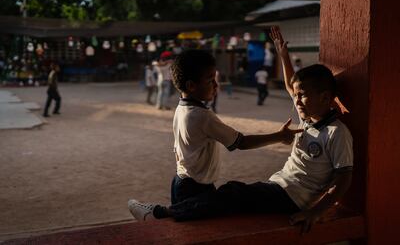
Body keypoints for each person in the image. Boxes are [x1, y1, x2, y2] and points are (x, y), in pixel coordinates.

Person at [128, 28, 354, 233]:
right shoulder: (308, 115)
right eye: (296, 96)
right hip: (278, 186)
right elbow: (290, 86)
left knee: (232, 193)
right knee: (225, 202)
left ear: (325, 98)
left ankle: (159, 213)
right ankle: (166, 214)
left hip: (293, 198)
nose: (297, 101)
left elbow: (344, 177)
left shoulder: (336, 132)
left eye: (302, 95)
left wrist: (316, 212)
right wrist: (283, 56)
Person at [128, 49, 303, 218]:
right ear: (191, 85)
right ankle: (155, 213)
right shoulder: (203, 116)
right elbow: (241, 142)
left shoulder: (183, 108)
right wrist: (279, 136)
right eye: (210, 80)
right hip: (194, 186)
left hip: (183, 180)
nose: (216, 85)